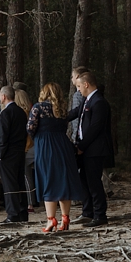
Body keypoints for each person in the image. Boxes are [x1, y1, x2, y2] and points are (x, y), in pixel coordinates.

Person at [28, 82, 87, 232]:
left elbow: (30, 127)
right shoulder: (61, 110)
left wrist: (38, 137)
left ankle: (51, 220)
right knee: (63, 181)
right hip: (63, 146)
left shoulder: (38, 107)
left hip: (45, 146)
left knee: (48, 179)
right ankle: (65, 218)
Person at [65, 70, 114, 226]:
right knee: (83, 180)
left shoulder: (99, 102)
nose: (78, 89)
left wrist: (82, 146)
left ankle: (100, 215)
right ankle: (88, 211)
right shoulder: (87, 101)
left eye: (79, 86)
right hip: (85, 149)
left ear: (86, 84)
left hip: (95, 150)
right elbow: (74, 114)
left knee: (94, 182)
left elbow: (95, 128)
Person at [0, 87, 28, 224]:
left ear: (3, 97)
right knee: (19, 182)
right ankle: (22, 211)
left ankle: (12, 213)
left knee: (9, 184)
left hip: (8, 153)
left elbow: (2, 136)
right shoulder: (21, 112)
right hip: (20, 151)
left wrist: (0, 154)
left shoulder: (6, 113)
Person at [15, 88, 38, 211]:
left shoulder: (22, 113)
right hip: (33, 146)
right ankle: (31, 201)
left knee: (26, 175)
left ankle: (29, 202)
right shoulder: (31, 111)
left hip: (28, 147)